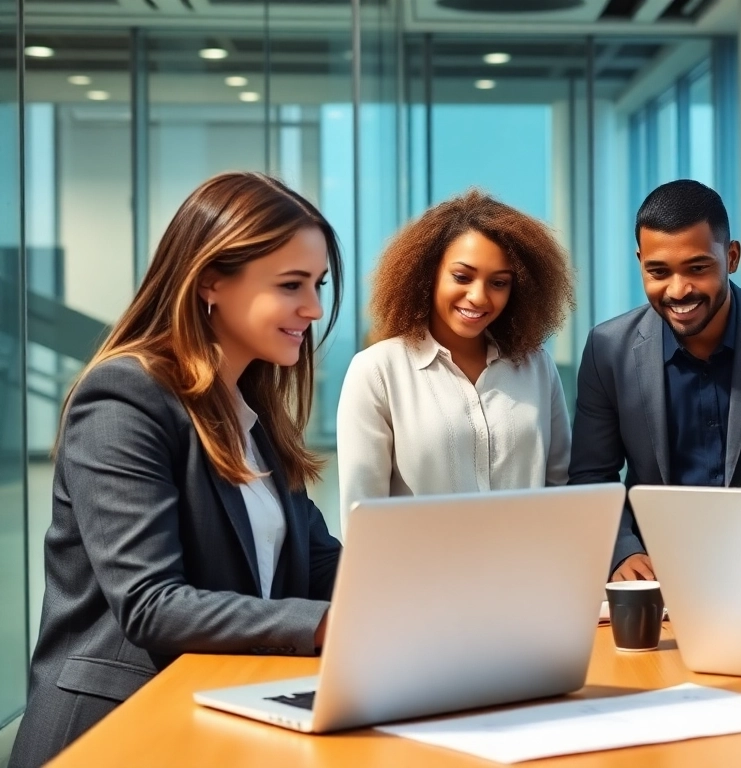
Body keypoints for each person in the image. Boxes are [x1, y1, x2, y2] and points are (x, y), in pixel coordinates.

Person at [10, 172, 345, 768]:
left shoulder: (246, 411)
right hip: (118, 730)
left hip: (222, 710)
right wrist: (327, 625)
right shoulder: (123, 398)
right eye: (292, 285)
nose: (314, 308)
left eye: (317, 284)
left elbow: (315, 560)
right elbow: (150, 602)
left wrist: (414, 595)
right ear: (211, 281)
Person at [569, 179, 741, 580]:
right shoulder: (608, 348)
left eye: (697, 268)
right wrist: (621, 552)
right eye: (658, 271)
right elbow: (591, 475)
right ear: (640, 263)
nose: (678, 290)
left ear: (731, 257)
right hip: (656, 572)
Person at [336, 190, 574, 525]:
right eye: (462, 277)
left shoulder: (536, 366)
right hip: (423, 576)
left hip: (526, 572)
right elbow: (362, 514)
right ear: (428, 273)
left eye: (499, 283)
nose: (478, 297)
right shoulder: (376, 371)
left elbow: (560, 489)